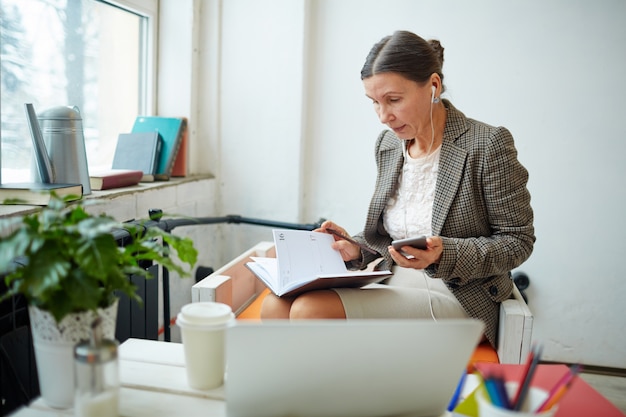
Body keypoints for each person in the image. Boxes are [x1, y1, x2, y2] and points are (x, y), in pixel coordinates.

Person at [260, 30, 535, 348]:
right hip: (393, 276)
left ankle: (326, 394)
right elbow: (388, 238)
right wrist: (355, 249)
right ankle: (301, 393)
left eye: (393, 100)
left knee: (311, 311)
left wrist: (445, 253)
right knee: (276, 305)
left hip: (457, 293)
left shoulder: (487, 144)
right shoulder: (389, 144)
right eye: (374, 103)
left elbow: (517, 242)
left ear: (433, 86)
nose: (383, 116)